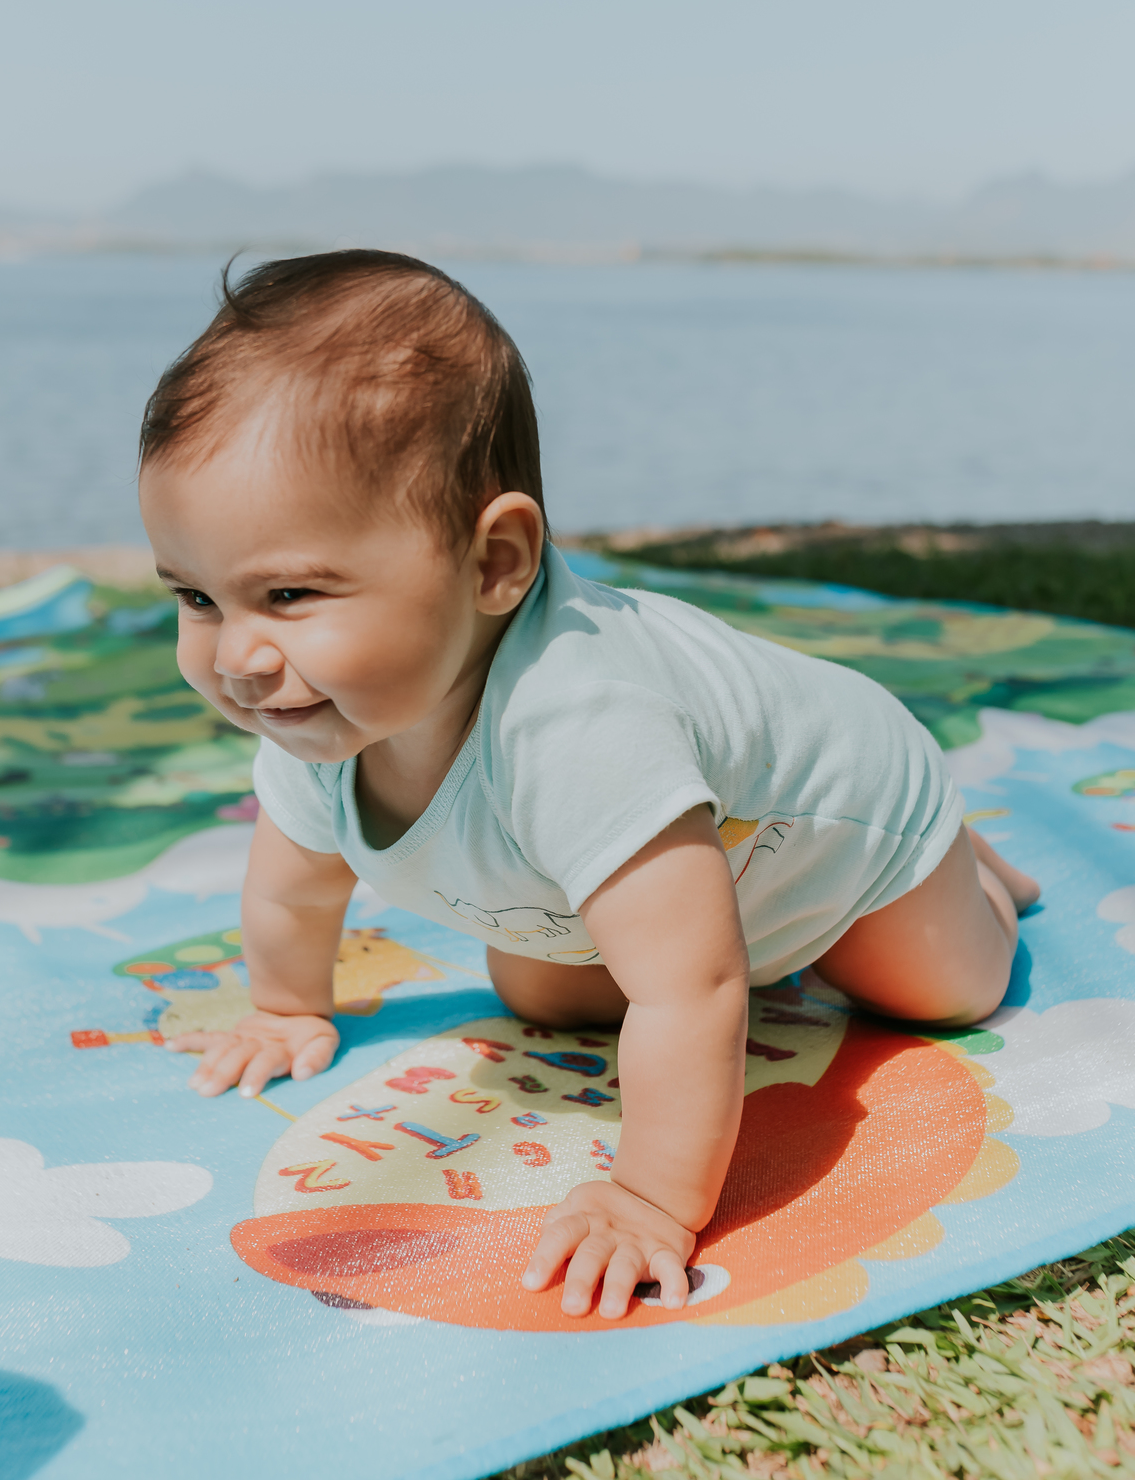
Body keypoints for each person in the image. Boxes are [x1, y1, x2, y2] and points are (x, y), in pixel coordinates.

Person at [138, 249, 1039, 1320]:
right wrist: (288, 1006)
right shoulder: (317, 711)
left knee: (944, 991)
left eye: (287, 593)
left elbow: (692, 990)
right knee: (544, 990)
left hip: (848, 832)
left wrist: (651, 1200)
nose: (236, 655)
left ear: (495, 562)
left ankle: (966, 864)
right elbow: (296, 887)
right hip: (690, 865)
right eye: (196, 597)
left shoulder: (580, 729)